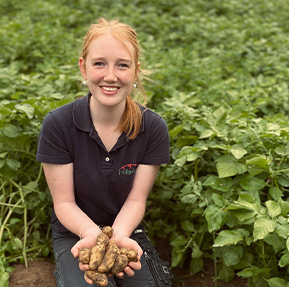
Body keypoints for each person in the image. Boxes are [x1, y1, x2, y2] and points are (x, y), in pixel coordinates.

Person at [36, 18, 172, 287]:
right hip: (75, 232)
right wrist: (91, 234)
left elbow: (136, 201)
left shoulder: (153, 128)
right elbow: (64, 203)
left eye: (122, 65)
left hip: (127, 228)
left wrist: (119, 234)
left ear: (135, 71)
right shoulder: (58, 125)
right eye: (99, 63)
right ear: (83, 68)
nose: (111, 76)